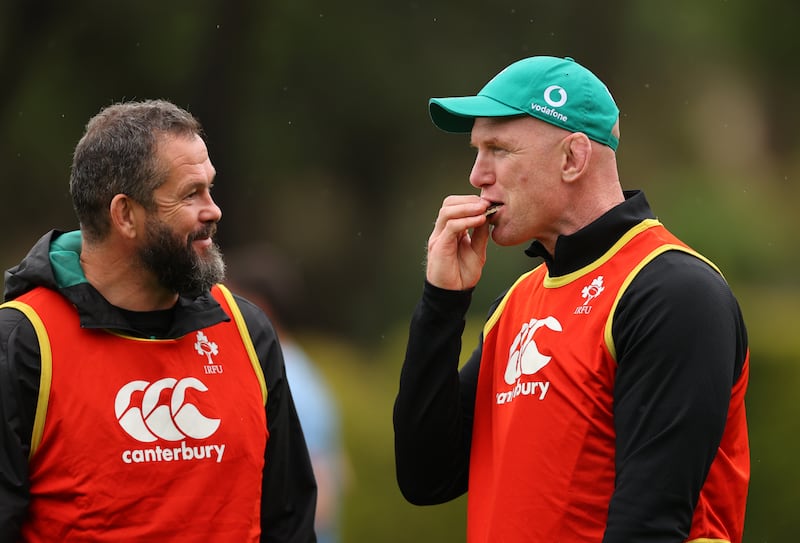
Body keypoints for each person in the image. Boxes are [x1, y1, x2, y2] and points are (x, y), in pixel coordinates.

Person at [393, 56, 750, 542]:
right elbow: (426, 477)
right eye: (476, 151)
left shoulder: (672, 292)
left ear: (573, 158)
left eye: (498, 149)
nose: (477, 175)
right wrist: (441, 303)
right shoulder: (518, 300)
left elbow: (649, 524)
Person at [0, 99, 317, 542]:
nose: (214, 210)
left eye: (210, 188)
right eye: (190, 194)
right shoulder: (22, 344)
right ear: (125, 215)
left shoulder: (246, 331)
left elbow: (290, 524)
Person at [224, 243, 349, 543]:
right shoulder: (299, 370)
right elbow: (343, 470)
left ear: (257, 307)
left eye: (229, 300)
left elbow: (322, 495)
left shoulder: (285, 379)